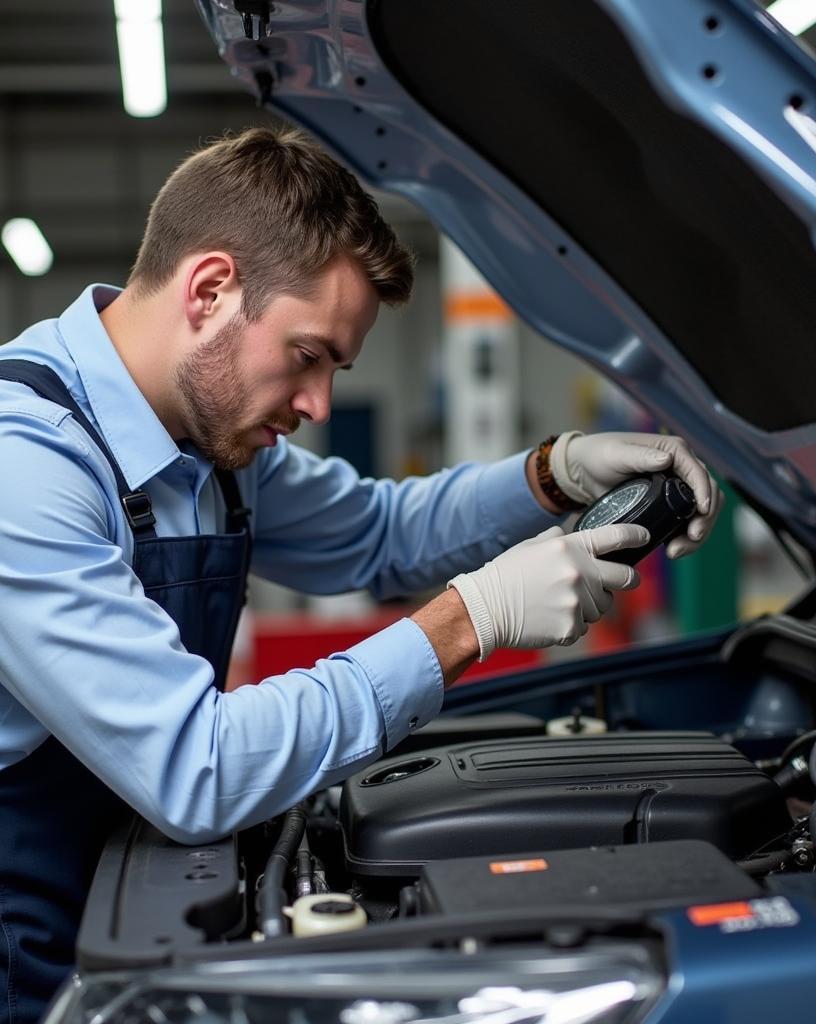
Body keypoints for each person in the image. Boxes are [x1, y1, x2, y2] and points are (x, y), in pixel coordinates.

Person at [0, 127, 721, 1022]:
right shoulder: (26, 469)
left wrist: (554, 474)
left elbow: (380, 534)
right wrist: (470, 623)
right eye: (307, 356)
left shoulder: (208, 443)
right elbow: (198, 767)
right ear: (210, 289)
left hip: (130, 897)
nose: (317, 406)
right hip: (21, 938)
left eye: (335, 370)